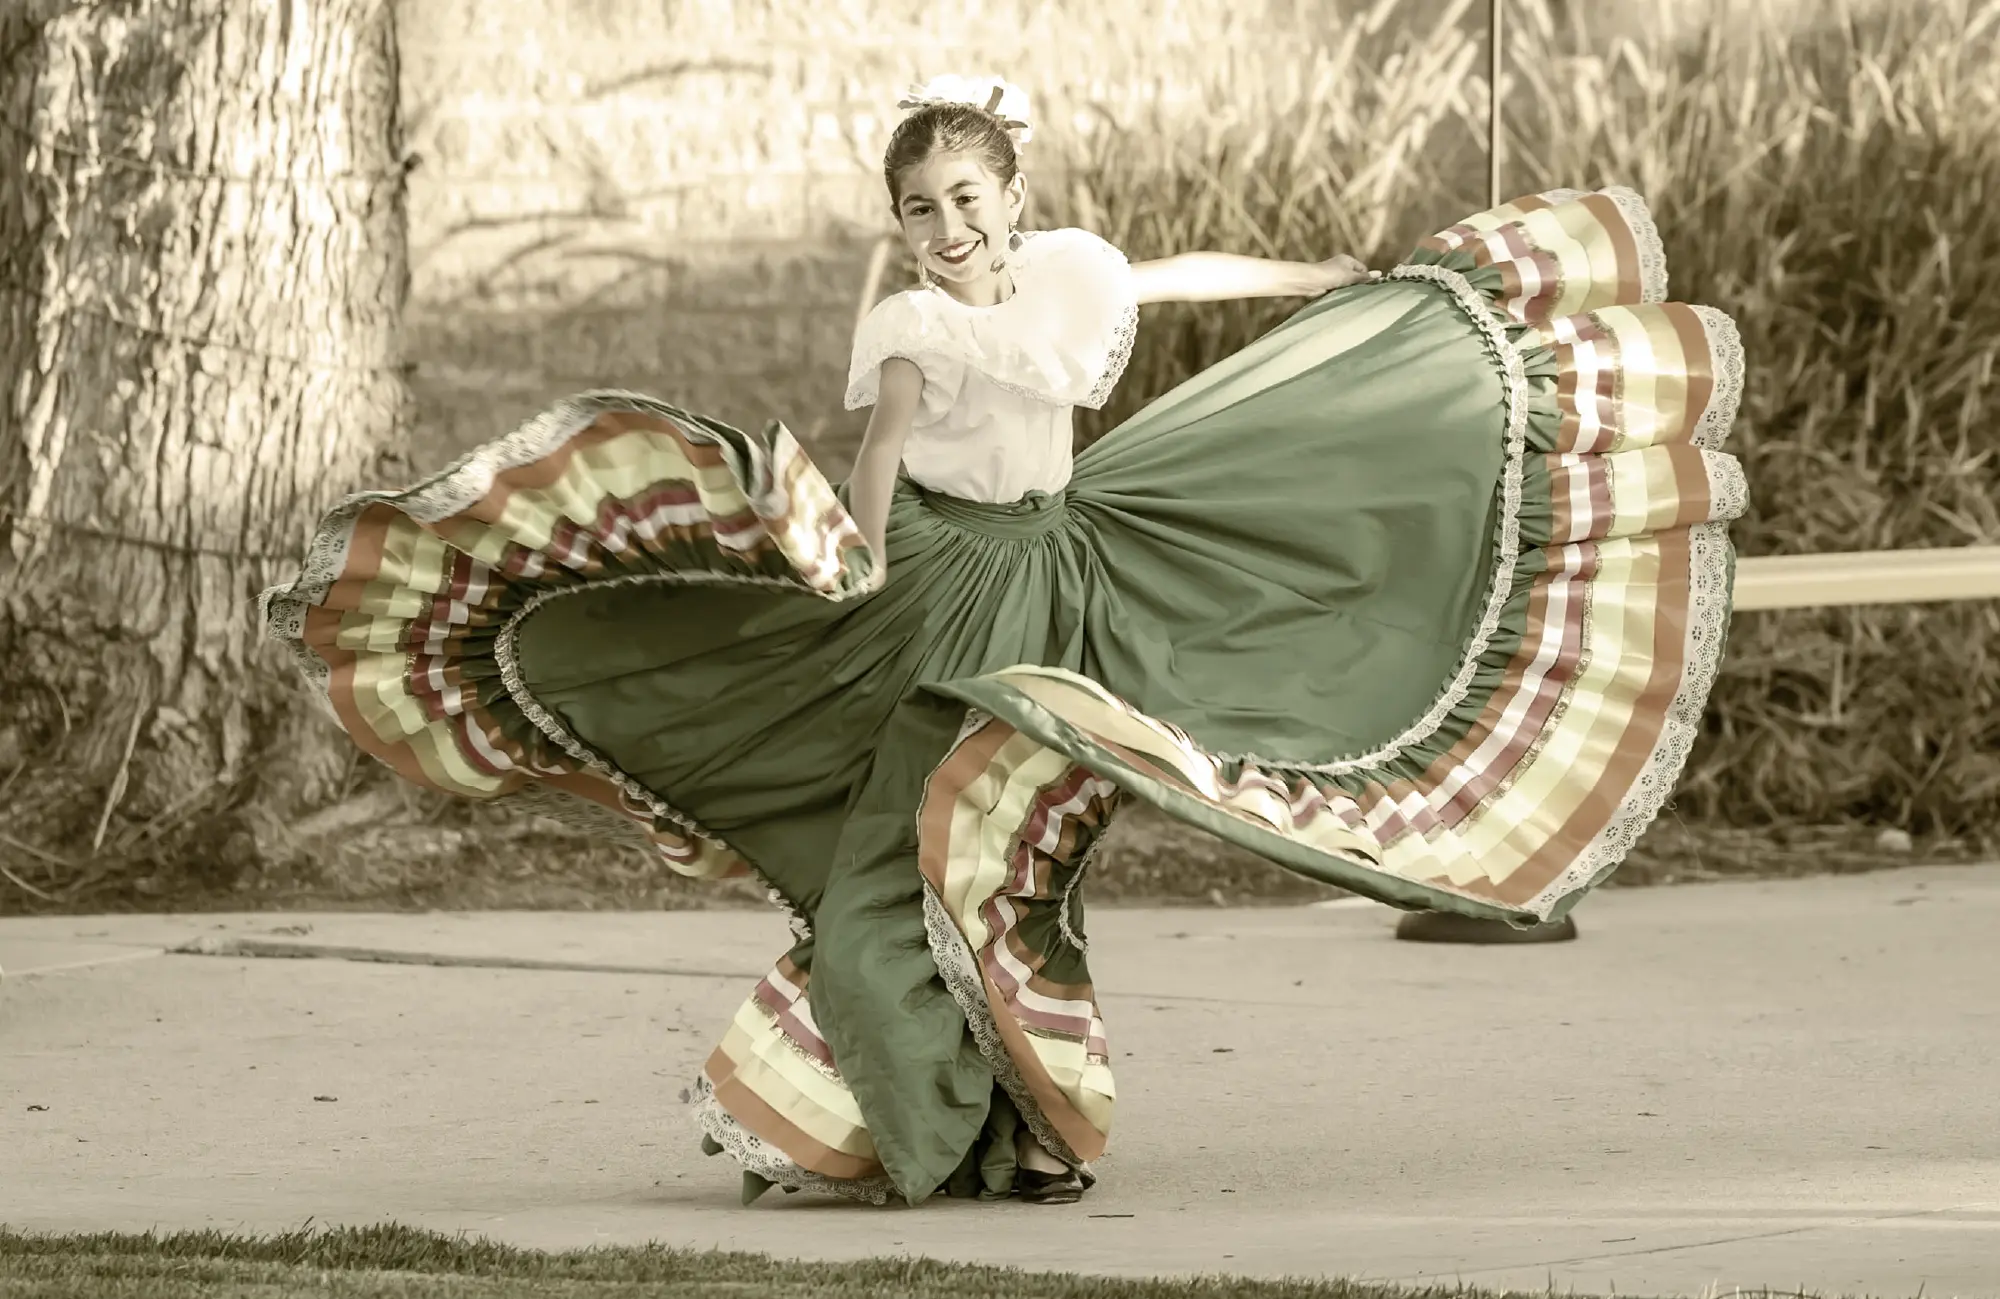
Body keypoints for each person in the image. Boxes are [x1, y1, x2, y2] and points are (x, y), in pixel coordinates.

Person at [260, 73, 1748, 1208]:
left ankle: (1016, 1125)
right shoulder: (910, 329)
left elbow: (1123, 332)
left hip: (1077, 559)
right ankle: (915, 1115)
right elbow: (887, 460)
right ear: (898, 226)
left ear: (1006, 192)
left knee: (1036, 838)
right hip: (950, 583)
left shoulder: (1071, 276)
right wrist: (846, 564)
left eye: (968, 196)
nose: (950, 226)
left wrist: (1282, 305)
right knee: (914, 845)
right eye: (922, 209)